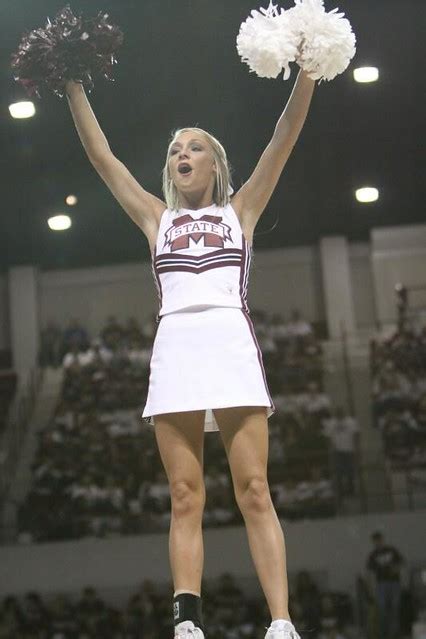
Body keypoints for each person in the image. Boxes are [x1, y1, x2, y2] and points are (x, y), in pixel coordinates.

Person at [66, 59, 315, 639]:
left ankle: (280, 622)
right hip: (175, 344)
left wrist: (309, 69)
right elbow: (103, 157)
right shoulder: (155, 218)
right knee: (184, 493)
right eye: (176, 147)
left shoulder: (241, 210)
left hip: (230, 340)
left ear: (215, 163)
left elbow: (284, 137)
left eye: (195, 146)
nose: (183, 152)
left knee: (254, 489)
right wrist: (72, 84)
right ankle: (187, 622)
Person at [366, 531, 404, 639]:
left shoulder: (391, 551)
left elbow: (401, 562)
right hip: (381, 584)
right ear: (373, 542)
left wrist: (395, 568)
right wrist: (370, 590)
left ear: (382, 540)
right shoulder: (373, 555)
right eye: (375, 541)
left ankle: (394, 634)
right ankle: (384, 635)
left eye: (379, 540)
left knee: (394, 609)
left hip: (394, 583)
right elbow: (369, 573)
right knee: (382, 610)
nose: (378, 543)